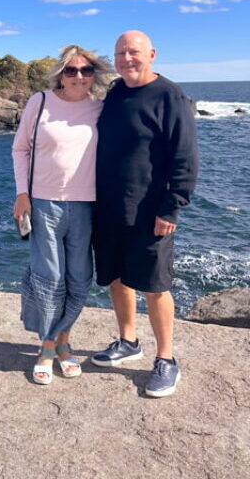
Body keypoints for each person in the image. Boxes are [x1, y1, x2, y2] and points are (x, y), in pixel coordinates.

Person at [91, 31, 198, 398]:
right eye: (120, 53)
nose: (126, 59)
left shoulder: (171, 97)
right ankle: (127, 341)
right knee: (117, 278)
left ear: (151, 53)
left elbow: (185, 158)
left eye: (133, 52)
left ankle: (166, 359)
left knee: (155, 285)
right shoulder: (115, 92)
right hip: (108, 207)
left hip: (151, 210)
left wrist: (173, 205)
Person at [12, 44, 112, 384]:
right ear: (61, 74)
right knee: (49, 278)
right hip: (44, 203)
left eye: (86, 71)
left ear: (94, 75)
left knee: (79, 279)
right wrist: (22, 194)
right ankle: (48, 348)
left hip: (88, 205)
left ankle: (63, 343)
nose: (79, 77)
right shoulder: (39, 102)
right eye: (72, 70)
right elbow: (21, 149)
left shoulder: (101, 109)